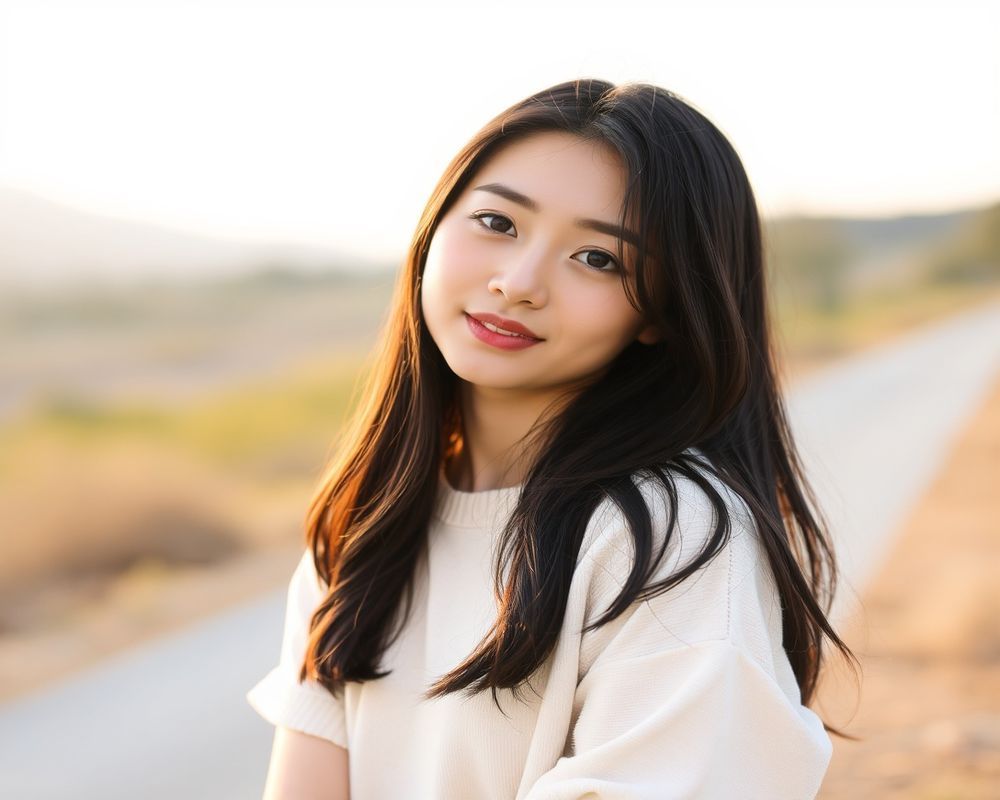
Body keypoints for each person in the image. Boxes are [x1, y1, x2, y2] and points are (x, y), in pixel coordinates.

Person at [246, 77, 858, 799]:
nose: (519, 282)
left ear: (661, 313)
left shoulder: (667, 538)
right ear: (433, 228)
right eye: (497, 222)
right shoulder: (368, 520)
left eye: (598, 258)